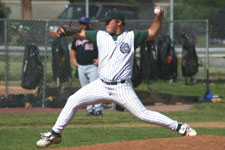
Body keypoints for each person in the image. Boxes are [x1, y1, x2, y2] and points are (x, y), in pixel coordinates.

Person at [36, 7, 197, 148]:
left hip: (122, 87)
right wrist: (65, 31)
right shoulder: (100, 35)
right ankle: (55, 134)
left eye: (108, 21)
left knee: (143, 115)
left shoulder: (132, 36)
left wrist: (159, 16)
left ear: (119, 22)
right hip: (101, 84)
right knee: (72, 100)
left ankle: (180, 127)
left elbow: (153, 32)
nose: (105, 24)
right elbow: (79, 33)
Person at [70, 16, 103, 117]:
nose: (82, 25)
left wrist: (99, 59)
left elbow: (103, 48)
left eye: (84, 24)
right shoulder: (77, 35)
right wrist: (74, 60)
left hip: (92, 66)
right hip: (81, 66)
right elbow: (73, 49)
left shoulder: (93, 35)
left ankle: (98, 110)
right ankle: (89, 111)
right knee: (85, 89)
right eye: (81, 23)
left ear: (89, 24)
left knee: (96, 88)